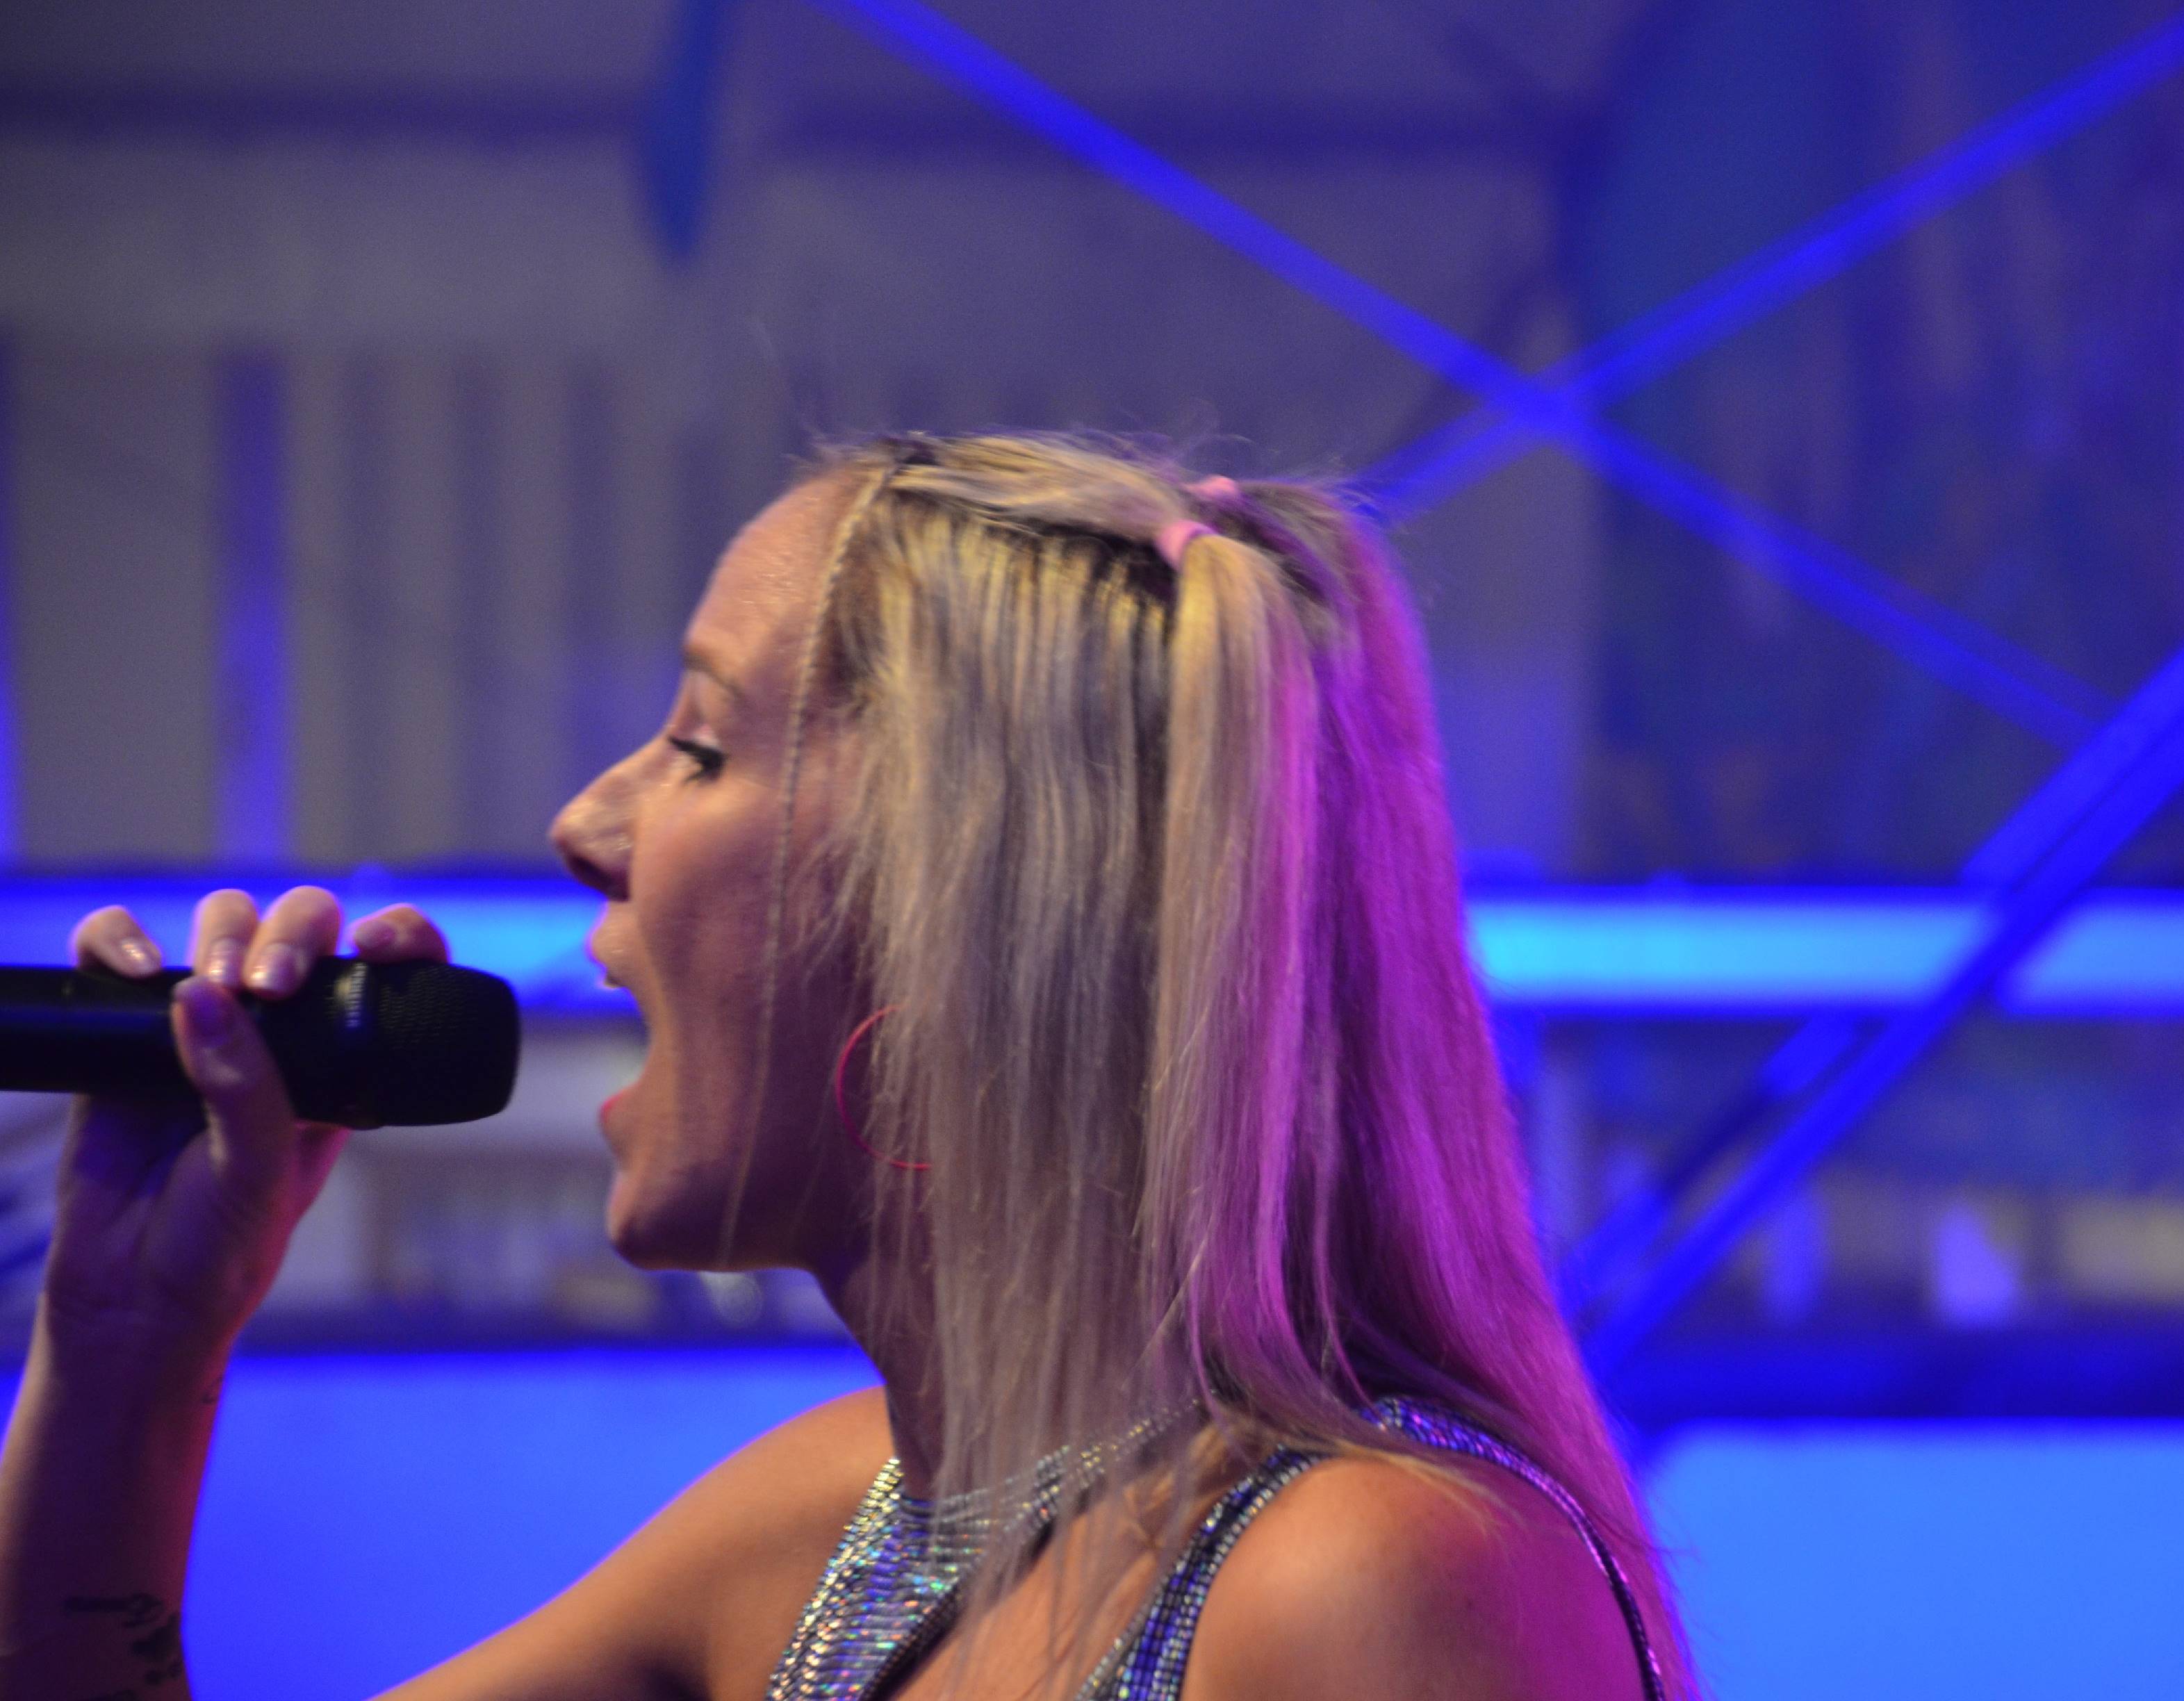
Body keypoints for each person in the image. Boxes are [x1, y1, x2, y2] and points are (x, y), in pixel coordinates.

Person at [0, 434, 1689, 1700]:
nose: (586, 825)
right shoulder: (832, 1524)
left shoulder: (1366, 1587)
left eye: (699, 745)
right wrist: (128, 1350)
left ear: (955, 948)